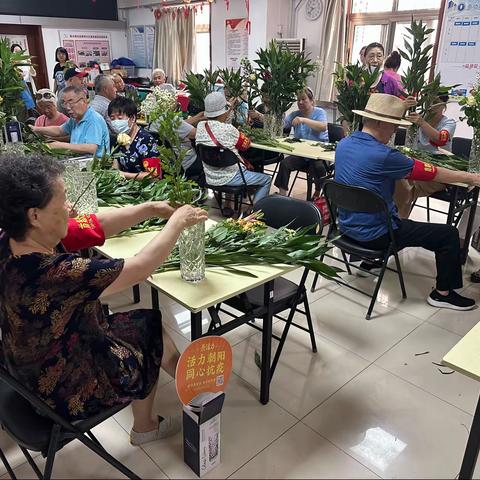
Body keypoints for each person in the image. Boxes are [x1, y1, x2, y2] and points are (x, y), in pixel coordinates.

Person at [0, 154, 208, 444]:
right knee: (148, 332)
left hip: (24, 368)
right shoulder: (52, 273)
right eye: (62, 200)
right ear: (35, 215)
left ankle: (196, 389)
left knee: (148, 323)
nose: (70, 207)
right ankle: (147, 426)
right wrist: (176, 223)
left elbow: (94, 225)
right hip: (58, 389)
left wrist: (150, 208)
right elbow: (139, 268)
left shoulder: (13, 240)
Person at [335, 92, 480, 310]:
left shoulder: (344, 144)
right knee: (448, 234)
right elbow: (433, 173)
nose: (396, 130)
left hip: (345, 229)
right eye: (394, 125)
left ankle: (370, 260)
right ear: (380, 122)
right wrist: (471, 178)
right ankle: (443, 294)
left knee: (398, 196)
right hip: (377, 236)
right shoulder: (385, 155)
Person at [196, 91, 271, 205]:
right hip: (231, 177)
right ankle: (254, 212)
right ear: (224, 112)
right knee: (266, 179)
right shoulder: (229, 129)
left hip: (210, 177)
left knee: (229, 161)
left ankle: (227, 205)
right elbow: (245, 145)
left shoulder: (201, 126)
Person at [394, 95, 456, 218]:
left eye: (435, 103)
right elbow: (395, 121)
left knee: (406, 188)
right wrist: (403, 106)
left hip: (437, 169)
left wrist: (422, 123)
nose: (431, 106)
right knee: (395, 181)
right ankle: (394, 222)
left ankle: (399, 225)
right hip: (415, 165)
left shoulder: (449, 122)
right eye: (429, 102)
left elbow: (441, 139)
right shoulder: (417, 117)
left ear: (444, 106)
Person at [274, 87, 328, 199]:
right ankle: (281, 195)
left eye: (304, 99)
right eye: (298, 100)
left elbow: (323, 127)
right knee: (284, 164)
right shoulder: (295, 114)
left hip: (318, 154)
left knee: (318, 167)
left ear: (312, 101)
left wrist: (303, 120)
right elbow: (282, 125)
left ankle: (318, 191)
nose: (300, 102)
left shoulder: (320, 112)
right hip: (301, 154)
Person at [32, 86, 110, 157]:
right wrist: (36, 129)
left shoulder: (93, 119)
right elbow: (60, 130)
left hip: (96, 165)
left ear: (84, 101)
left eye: (71, 102)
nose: (68, 108)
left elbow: (91, 148)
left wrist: (60, 145)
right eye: (65, 104)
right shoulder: (74, 119)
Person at [109, 96, 161, 180]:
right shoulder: (119, 140)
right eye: (112, 118)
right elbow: (115, 168)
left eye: (119, 118)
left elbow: (154, 175)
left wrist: (124, 175)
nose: (116, 122)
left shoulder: (146, 140)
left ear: (132, 118)